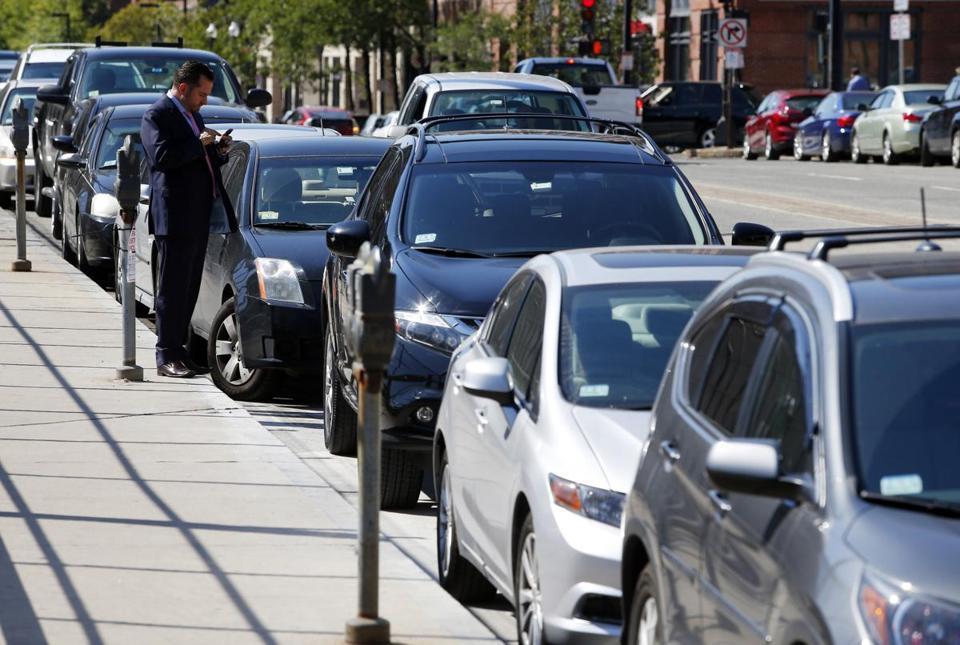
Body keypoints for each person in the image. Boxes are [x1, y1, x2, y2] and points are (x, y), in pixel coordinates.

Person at [140, 61, 237, 378]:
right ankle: (165, 354)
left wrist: (218, 150)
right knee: (171, 288)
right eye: (201, 93)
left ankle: (179, 351)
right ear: (183, 88)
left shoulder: (192, 115)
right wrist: (199, 144)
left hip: (196, 215)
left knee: (189, 288)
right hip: (174, 216)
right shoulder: (157, 115)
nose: (204, 101)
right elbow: (163, 158)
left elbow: (199, 157)